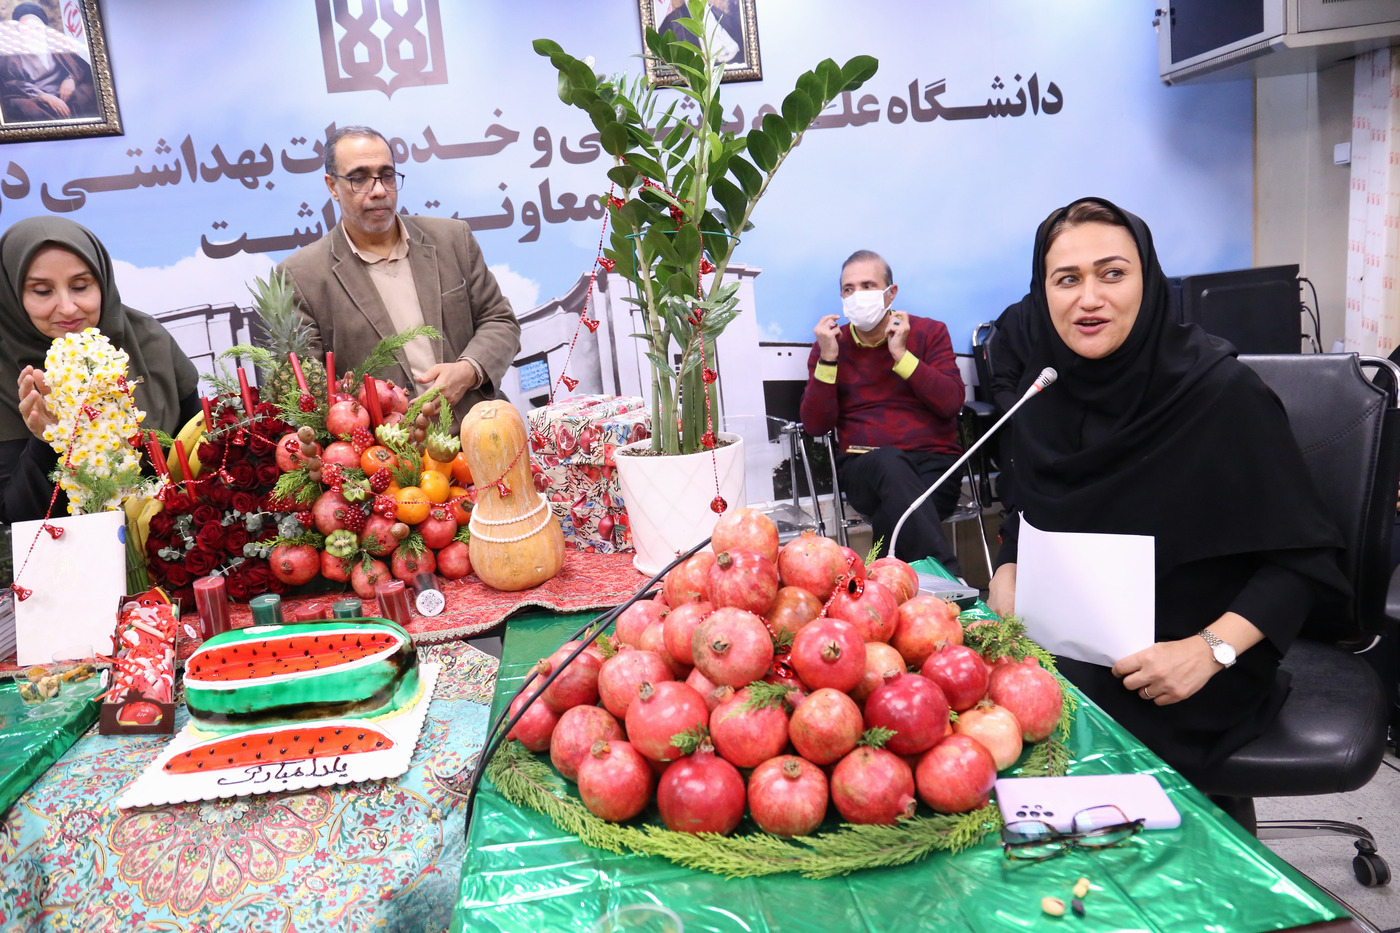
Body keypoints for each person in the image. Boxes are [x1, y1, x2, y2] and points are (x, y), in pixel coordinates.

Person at [986, 197, 1347, 785]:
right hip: (1065, 653)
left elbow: (1303, 562)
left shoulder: (1222, 394)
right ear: (1041, 293)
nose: (1089, 298)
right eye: (1067, 279)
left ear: (1148, 281)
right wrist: (1008, 566)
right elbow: (1026, 512)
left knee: (1071, 771)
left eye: (1112, 273)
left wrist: (1207, 651)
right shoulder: (1043, 392)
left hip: (1187, 666)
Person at [280, 125, 521, 423]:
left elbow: (500, 321)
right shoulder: (302, 276)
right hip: (384, 448)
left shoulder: (452, 239)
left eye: (387, 175)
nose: (379, 190)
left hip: (481, 430)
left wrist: (468, 370)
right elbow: (307, 394)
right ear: (332, 186)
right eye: (359, 178)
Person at [0, 216, 200, 524]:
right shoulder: (4, 370)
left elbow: (200, 460)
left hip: (170, 537)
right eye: (42, 291)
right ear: (13, 294)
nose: (68, 307)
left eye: (81, 286)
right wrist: (49, 440)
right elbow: (16, 514)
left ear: (102, 281)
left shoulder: (149, 342)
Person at [800, 249, 965, 571]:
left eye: (868, 286)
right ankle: (949, 578)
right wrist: (828, 359)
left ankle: (883, 583)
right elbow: (816, 425)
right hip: (866, 468)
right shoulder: (831, 345)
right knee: (890, 462)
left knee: (897, 511)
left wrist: (901, 354)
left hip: (934, 468)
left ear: (891, 293)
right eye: (849, 289)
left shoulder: (929, 332)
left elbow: (951, 403)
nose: (857, 295)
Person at [0, 3, 97, 123]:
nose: (32, 33)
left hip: (63, 93)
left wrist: (70, 79)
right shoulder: (11, 54)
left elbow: (80, 68)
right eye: (26, 29)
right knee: (24, 107)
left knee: (86, 92)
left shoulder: (58, 45)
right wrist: (42, 96)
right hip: (33, 97)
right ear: (19, 30)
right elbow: (10, 83)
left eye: (37, 28)